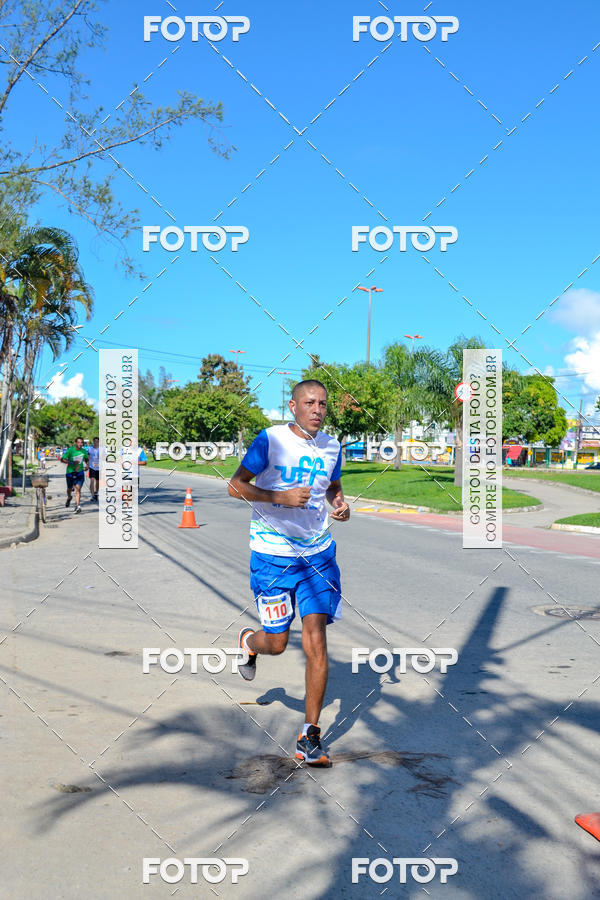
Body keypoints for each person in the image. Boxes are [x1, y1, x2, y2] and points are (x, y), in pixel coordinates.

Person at [228, 380, 350, 766]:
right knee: (277, 643)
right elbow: (235, 486)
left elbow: (333, 487)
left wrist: (340, 504)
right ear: (293, 406)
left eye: (323, 404)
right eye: (310, 403)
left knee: (316, 639)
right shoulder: (270, 440)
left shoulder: (332, 447)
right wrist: (276, 497)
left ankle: (309, 735)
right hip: (272, 556)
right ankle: (250, 642)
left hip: (318, 555)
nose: (317, 409)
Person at [61, 437, 89, 514]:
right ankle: (69, 497)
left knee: (78, 489)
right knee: (69, 489)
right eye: (79, 442)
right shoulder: (70, 450)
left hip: (80, 473)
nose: (80, 444)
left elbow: (87, 459)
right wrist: (72, 463)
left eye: (82, 442)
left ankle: (77, 506)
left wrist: (87, 465)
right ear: (75, 443)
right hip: (70, 472)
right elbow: (62, 459)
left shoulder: (83, 451)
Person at [88, 437, 100, 502]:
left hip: (99, 467)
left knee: (97, 482)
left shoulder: (102, 449)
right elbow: (88, 457)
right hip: (92, 467)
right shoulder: (90, 449)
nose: (96, 442)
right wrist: (87, 465)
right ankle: (92, 495)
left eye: (97, 441)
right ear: (93, 442)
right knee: (92, 480)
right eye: (95, 441)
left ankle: (96, 492)